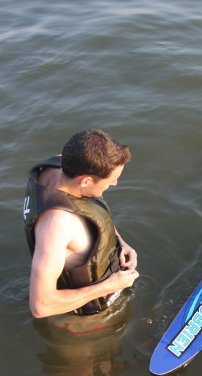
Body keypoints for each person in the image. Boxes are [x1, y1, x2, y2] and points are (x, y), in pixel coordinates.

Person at [23, 129, 139, 319]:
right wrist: (108, 286)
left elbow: (89, 210)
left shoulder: (59, 165)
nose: (115, 183)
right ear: (85, 181)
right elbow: (40, 307)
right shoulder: (57, 225)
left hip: (109, 286)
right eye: (111, 180)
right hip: (82, 320)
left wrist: (121, 242)